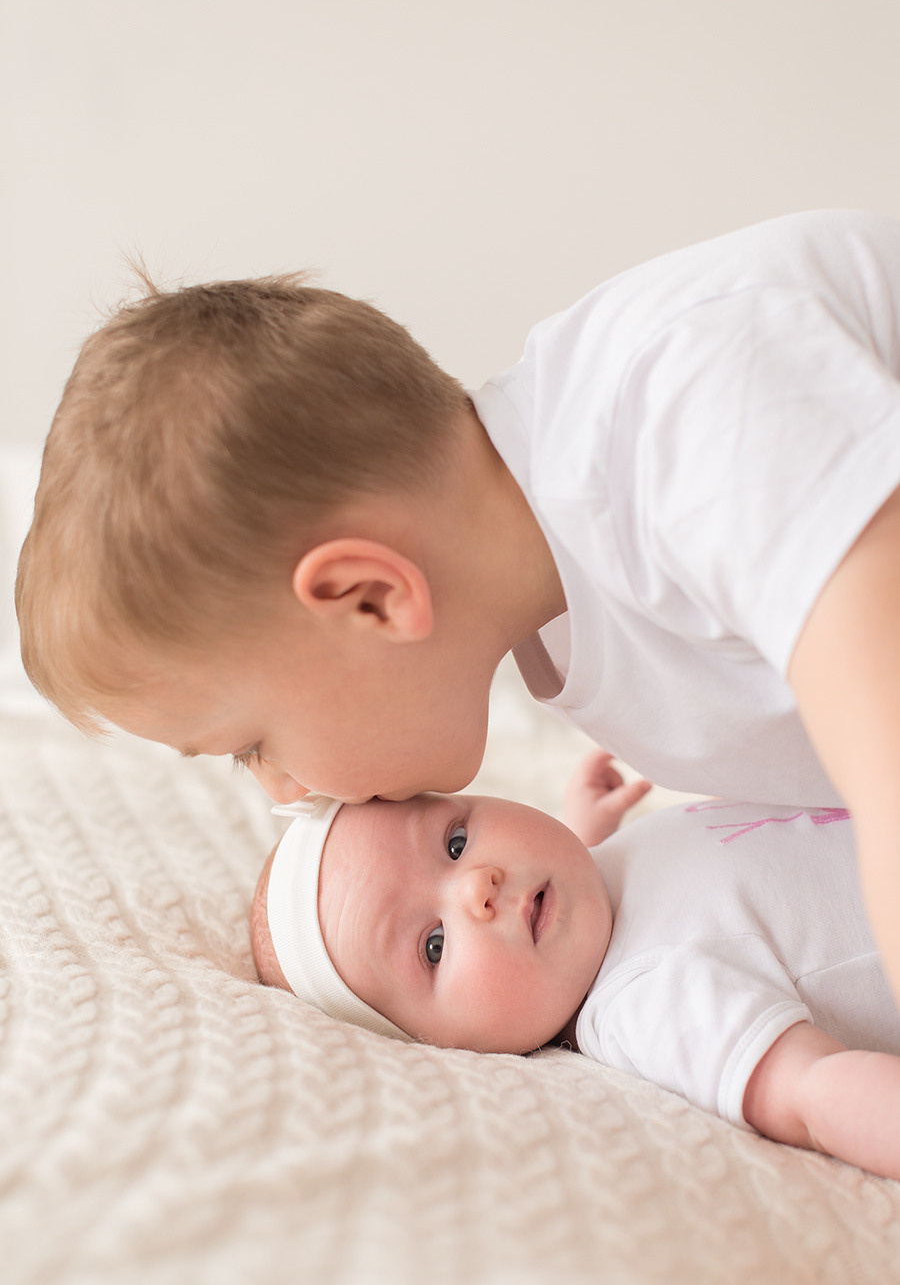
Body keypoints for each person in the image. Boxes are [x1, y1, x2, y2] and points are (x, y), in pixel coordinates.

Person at [14, 210, 900, 998]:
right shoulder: (561, 617)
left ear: (370, 599)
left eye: (252, 745)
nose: (285, 792)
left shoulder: (686, 410)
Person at [250, 751, 900, 1181]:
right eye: (434, 946)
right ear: (445, 1047)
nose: (479, 883)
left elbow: (574, 887)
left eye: (455, 841)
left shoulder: (584, 887)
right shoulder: (645, 1001)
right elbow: (813, 1091)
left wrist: (584, 827)